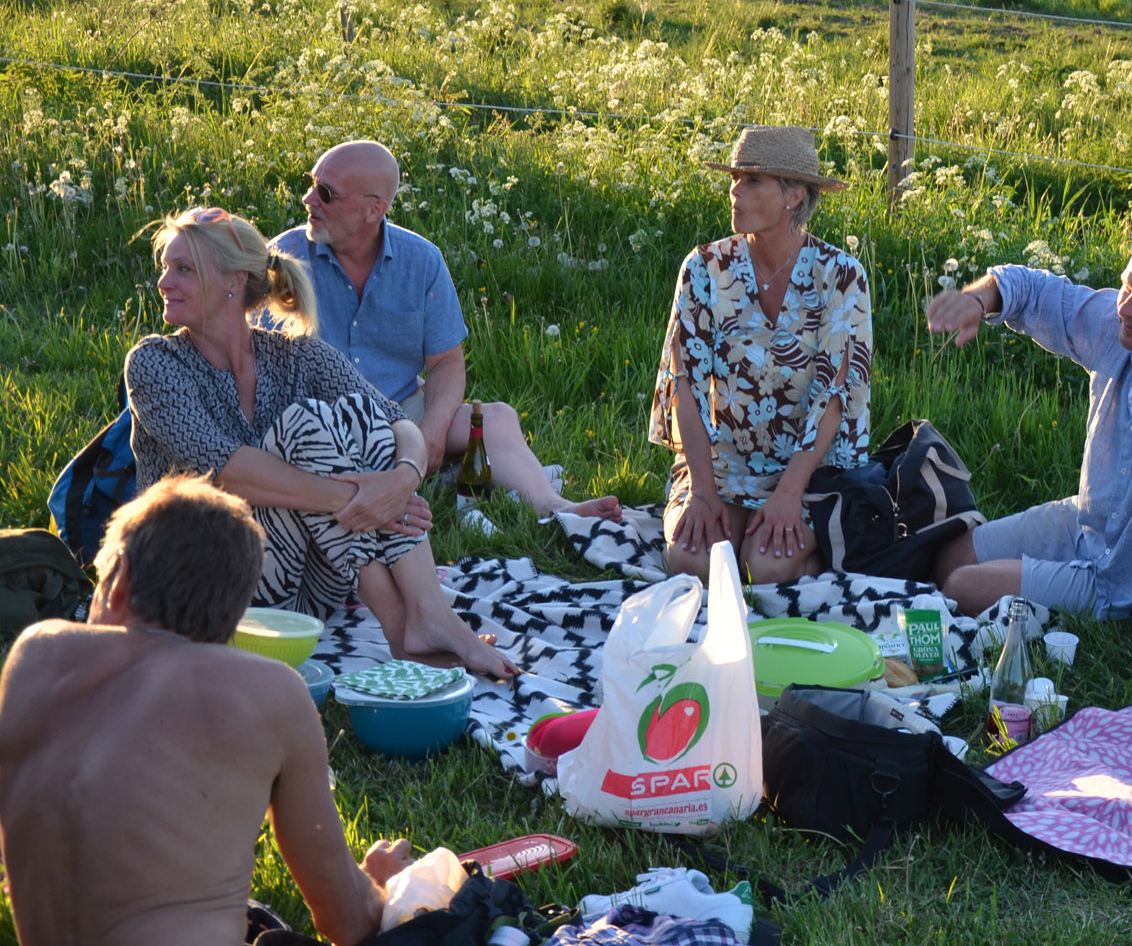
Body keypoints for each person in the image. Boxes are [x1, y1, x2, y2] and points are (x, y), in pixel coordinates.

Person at [0, 477, 415, 946]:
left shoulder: (33, 659)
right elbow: (344, 920)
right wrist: (382, 887)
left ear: (117, 578)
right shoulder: (268, 690)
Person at [123, 205, 515, 678]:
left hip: (308, 590)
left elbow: (396, 423)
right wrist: (361, 500)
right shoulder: (155, 363)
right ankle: (405, 626)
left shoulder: (297, 355)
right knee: (304, 425)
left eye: (182, 269)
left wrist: (400, 480)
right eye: (166, 268)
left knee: (358, 418)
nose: (164, 282)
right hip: (203, 583)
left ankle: (429, 615)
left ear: (233, 281)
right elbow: (220, 468)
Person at [925, 215, 1132, 695]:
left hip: (1131, 578)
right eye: (1127, 287)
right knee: (948, 558)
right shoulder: (1125, 326)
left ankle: (1072, 617)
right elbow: (1034, 290)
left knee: (962, 588)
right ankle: (1032, 602)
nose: (1126, 307)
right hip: (1085, 524)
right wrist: (978, 300)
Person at [270, 139, 622, 521]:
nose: (308, 199)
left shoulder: (421, 260)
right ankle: (440, 476)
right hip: (319, 417)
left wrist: (432, 432)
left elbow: (446, 363)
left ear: (375, 209)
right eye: (311, 183)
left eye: (326, 192)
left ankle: (556, 507)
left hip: (402, 408)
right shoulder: (283, 259)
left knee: (498, 418)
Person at [649, 125, 871, 584]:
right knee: (692, 561)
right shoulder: (704, 268)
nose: (734, 190)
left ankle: (809, 552)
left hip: (808, 470)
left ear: (793, 197)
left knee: (764, 568)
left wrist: (790, 493)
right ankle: (733, 520)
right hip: (720, 461)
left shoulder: (841, 276)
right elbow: (684, 385)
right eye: (734, 177)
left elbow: (835, 395)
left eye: (751, 181)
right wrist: (704, 493)